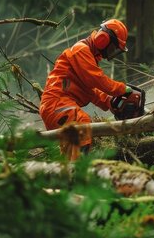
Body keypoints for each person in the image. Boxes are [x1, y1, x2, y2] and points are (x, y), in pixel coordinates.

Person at [39, 19, 132, 160]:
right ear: (103, 39)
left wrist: (108, 101)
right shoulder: (81, 50)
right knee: (82, 122)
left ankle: (66, 175)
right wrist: (121, 89)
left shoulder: (88, 56)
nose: (111, 54)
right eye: (113, 49)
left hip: (57, 105)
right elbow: (97, 79)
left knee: (70, 147)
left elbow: (90, 89)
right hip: (57, 104)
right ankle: (78, 172)